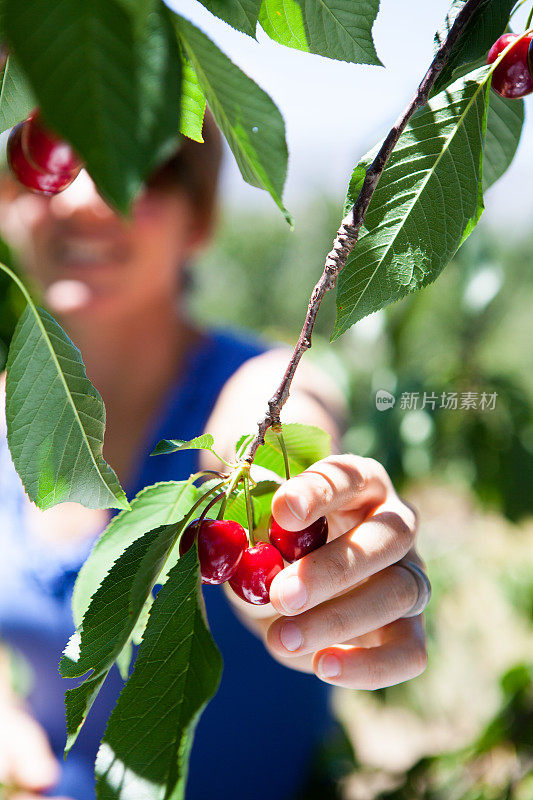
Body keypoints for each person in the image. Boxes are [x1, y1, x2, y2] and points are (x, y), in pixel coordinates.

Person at [0, 113, 429, 800]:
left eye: (139, 168)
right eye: (50, 162)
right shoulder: (4, 421)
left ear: (196, 220)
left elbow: (275, 424)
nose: (83, 197)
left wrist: (296, 521)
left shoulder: (250, 385)